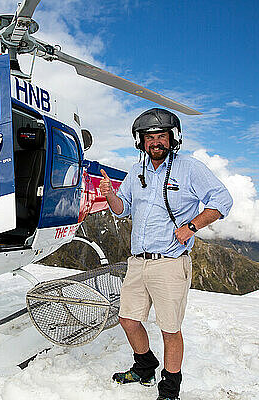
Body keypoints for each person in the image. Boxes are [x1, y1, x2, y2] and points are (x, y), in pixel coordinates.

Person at [99, 108, 233, 400]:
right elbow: (123, 209)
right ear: (141, 142)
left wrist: (192, 226)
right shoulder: (136, 171)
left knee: (170, 329)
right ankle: (145, 367)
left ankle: (170, 391)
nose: (155, 142)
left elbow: (223, 200)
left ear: (173, 139)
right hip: (138, 262)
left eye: (161, 136)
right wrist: (109, 193)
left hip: (171, 263)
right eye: (150, 137)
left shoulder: (190, 168)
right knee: (128, 320)